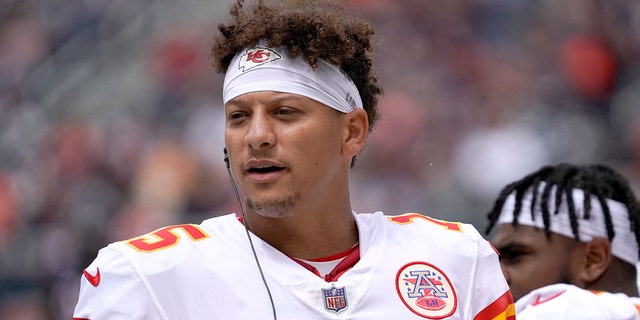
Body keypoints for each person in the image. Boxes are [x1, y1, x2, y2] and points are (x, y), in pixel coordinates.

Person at [72, 0, 515, 319]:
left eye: (285, 113)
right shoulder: (145, 277)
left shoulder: (455, 259)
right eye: (239, 117)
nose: (257, 137)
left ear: (352, 131)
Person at [485, 162, 640, 319]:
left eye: (515, 256)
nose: (501, 276)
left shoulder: (565, 310)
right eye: (495, 261)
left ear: (593, 259)